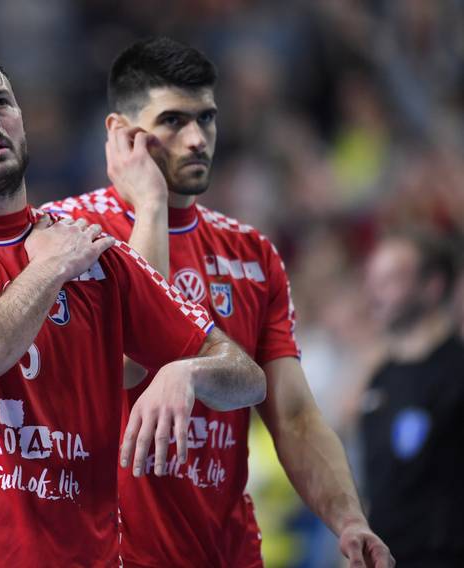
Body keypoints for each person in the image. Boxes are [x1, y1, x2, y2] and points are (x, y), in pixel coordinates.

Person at [0, 36, 266, 567]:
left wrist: (187, 374)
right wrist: (49, 267)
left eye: (1, 102)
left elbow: (247, 376)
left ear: (22, 118)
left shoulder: (91, 252)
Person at [42, 36, 393, 567]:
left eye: (206, 119)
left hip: (226, 551)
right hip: (110, 553)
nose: (196, 139)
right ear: (121, 134)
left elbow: (294, 415)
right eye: (173, 122)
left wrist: (347, 519)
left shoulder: (253, 254)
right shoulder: (66, 234)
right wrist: (152, 208)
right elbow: (131, 363)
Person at [360, 230, 464, 566]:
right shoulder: (380, 378)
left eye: (389, 280)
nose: (374, 294)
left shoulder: (456, 372)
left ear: (432, 286)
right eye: (371, 280)